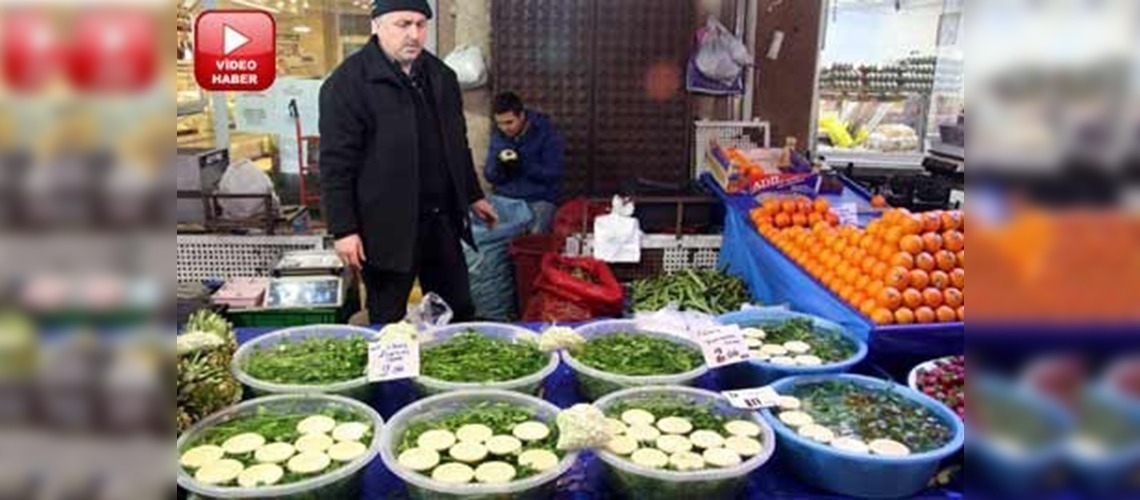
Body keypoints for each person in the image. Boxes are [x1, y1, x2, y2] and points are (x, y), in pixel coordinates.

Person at [319, 0, 498, 324]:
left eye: (420, 24)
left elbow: (457, 144)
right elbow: (336, 164)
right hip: (385, 227)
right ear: (376, 26)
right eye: (403, 24)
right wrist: (344, 229)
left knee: (456, 311)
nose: (414, 34)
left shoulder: (441, 76)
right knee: (388, 318)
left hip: (441, 220)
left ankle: (443, 354)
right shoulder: (348, 83)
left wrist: (473, 195)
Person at [484, 92, 565, 234]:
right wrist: (499, 167)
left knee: (533, 238)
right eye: (500, 123)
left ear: (521, 116)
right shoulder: (498, 136)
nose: (505, 128)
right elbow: (490, 176)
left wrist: (524, 165)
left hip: (538, 199)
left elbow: (554, 173)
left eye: (509, 122)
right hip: (505, 198)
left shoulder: (546, 133)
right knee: (489, 234)